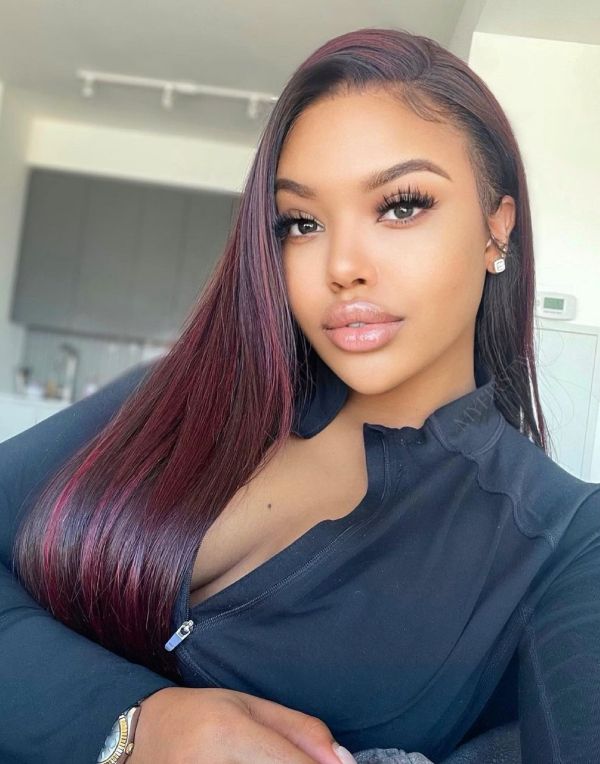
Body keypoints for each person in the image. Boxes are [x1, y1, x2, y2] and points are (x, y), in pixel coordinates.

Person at [1, 25, 599, 764]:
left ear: (495, 228)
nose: (342, 265)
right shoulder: (187, 391)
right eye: (302, 222)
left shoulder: (565, 540)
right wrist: (135, 724)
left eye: (401, 205)